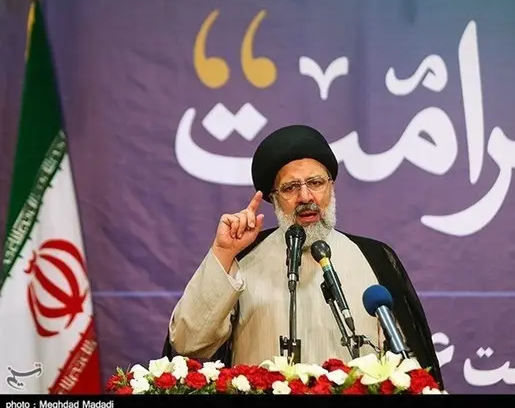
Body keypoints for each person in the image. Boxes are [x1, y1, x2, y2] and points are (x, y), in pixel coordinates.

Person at [165, 124, 444, 388]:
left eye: (316, 182)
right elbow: (188, 343)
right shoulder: (243, 259)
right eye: (290, 188)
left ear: (331, 187)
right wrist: (224, 253)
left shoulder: (375, 259)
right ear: (274, 198)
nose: (306, 197)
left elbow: (407, 368)